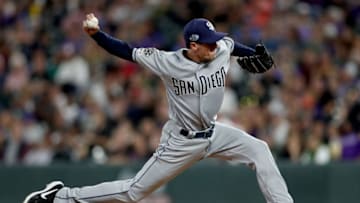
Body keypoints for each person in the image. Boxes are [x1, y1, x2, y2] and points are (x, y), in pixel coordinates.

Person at [24, 13, 293, 203]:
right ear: (193, 45)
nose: (215, 44)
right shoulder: (167, 61)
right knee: (133, 193)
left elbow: (233, 45)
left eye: (215, 39)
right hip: (181, 141)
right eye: (208, 42)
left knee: (260, 149)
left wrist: (254, 55)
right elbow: (126, 50)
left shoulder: (221, 47)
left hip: (214, 134)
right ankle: (61, 197)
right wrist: (97, 35)